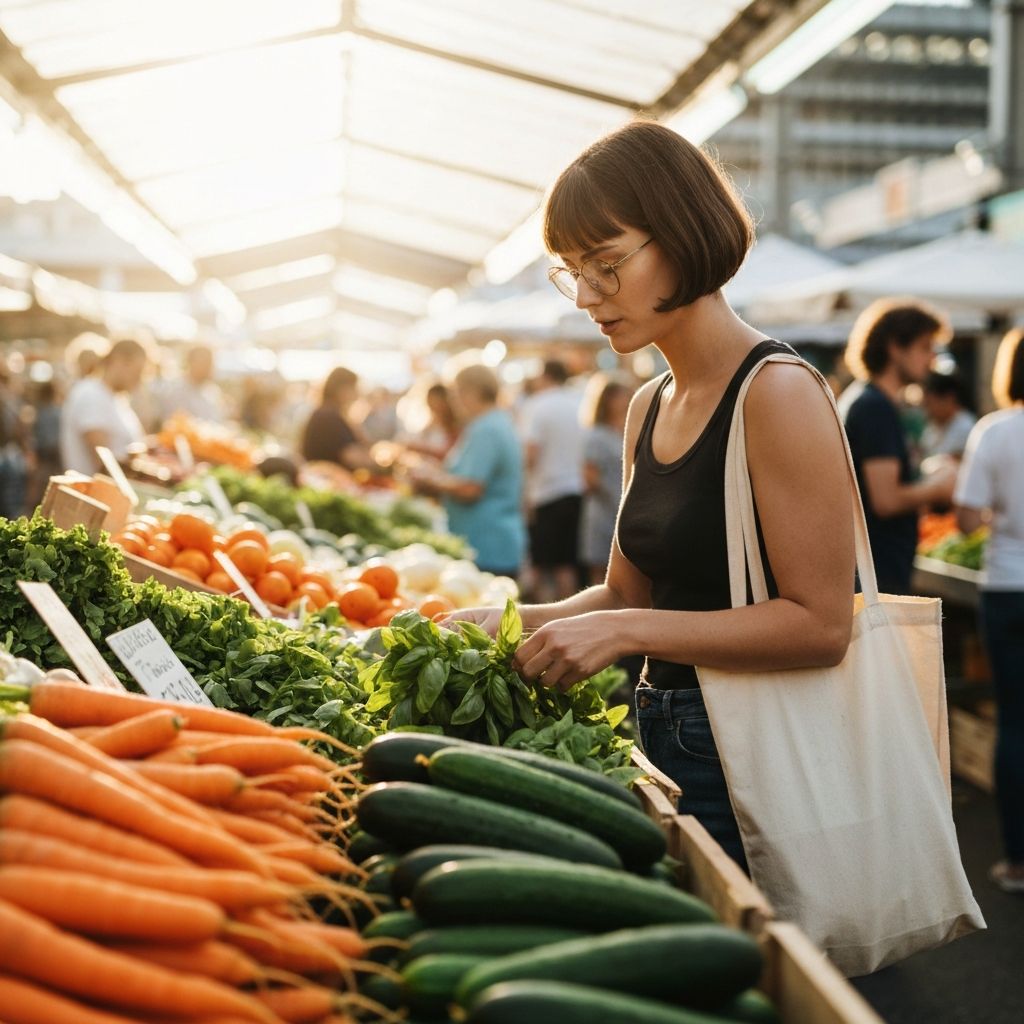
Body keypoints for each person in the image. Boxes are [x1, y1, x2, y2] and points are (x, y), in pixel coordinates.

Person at [447, 120, 855, 866]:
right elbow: (621, 595)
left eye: (606, 264)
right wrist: (497, 623)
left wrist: (632, 634)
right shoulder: (648, 406)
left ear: (681, 234)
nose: (586, 295)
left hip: (753, 758)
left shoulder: (777, 393)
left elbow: (823, 626)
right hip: (664, 738)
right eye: (572, 271)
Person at [953, 328, 1024, 893]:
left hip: (1006, 588)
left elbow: (969, 519)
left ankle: (1017, 862)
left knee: (1014, 722)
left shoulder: (994, 432)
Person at [838, 300, 957, 594]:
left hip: (875, 567)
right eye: (925, 347)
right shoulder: (874, 407)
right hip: (878, 570)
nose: (931, 358)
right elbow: (886, 500)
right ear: (895, 347)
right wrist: (939, 486)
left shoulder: (870, 401)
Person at [410, 362, 525, 578]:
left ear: (471, 391)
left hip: (487, 544)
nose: (453, 400)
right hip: (491, 540)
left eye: (455, 392)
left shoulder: (486, 428)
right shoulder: (494, 421)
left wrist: (430, 479)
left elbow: (470, 488)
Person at [521, 359, 585, 601]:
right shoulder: (578, 401)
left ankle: (533, 626)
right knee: (566, 564)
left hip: (546, 493)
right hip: (576, 490)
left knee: (539, 564)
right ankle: (571, 623)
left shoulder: (537, 405)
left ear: (544, 375)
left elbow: (531, 453)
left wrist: (523, 491)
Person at [59, 338, 149, 475]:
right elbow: (104, 463)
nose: (139, 379)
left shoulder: (115, 398)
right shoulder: (91, 395)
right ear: (119, 361)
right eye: (138, 371)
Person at [579, 372, 633, 585]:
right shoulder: (597, 434)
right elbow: (589, 476)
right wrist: (611, 493)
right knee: (601, 567)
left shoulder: (630, 429)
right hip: (604, 509)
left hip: (626, 507)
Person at [300, 367, 376, 472]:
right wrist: (382, 462)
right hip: (329, 481)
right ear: (341, 389)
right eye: (354, 388)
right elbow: (352, 457)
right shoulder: (328, 416)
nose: (357, 394)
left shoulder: (328, 413)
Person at [158, 345, 226, 424]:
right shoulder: (174, 390)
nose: (210, 367)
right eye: (205, 362)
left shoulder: (213, 391)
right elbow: (173, 423)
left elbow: (217, 422)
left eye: (210, 362)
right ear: (190, 362)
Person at [920, 370, 976, 461]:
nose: (926, 409)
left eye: (929, 403)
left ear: (949, 399)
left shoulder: (967, 428)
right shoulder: (932, 427)